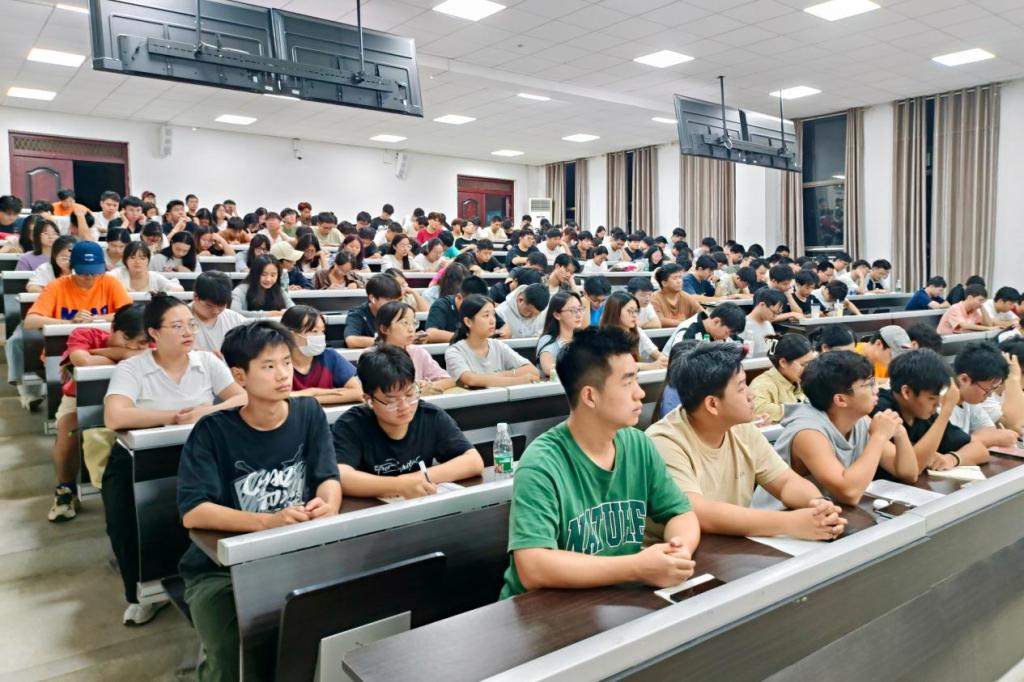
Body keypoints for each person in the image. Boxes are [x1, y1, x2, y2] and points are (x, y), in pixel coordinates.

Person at [178, 320, 341, 682]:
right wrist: (268, 522)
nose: (283, 374)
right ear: (240, 375)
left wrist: (328, 503)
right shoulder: (212, 432)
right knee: (231, 659)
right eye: (268, 366)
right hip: (221, 571)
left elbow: (328, 477)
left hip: (297, 553)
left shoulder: (308, 413)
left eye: (286, 362)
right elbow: (194, 511)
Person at [500, 326, 699, 598]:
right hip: (543, 610)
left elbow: (681, 513)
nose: (640, 393)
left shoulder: (638, 444)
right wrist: (636, 567)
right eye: (627, 383)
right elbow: (532, 567)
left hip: (610, 601)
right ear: (590, 396)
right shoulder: (541, 463)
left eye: (637, 379)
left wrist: (679, 550)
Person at [104, 294, 247, 625]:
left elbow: (241, 397)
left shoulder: (206, 362)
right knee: (129, 529)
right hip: (138, 460)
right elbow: (115, 416)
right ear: (154, 333)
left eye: (191, 325)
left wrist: (206, 411)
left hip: (198, 456)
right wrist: (172, 417)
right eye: (178, 326)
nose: (188, 332)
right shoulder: (133, 368)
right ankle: (141, 595)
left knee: (190, 527)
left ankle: (194, 585)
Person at [646, 343, 847, 541]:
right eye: (742, 388)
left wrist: (818, 505)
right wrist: (791, 523)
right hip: (673, 552)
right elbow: (699, 512)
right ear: (712, 404)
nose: (751, 395)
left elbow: (785, 481)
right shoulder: (664, 442)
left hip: (729, 544)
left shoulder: (740, 427)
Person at [752, 351, 919, 510]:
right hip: (779, 518)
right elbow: (849, 494)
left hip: (822, 513)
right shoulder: (808, 432)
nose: (876, 389)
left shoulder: (859, 420)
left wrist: (899, 433)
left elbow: (909, 474)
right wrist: (879, 437)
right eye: (868, 384)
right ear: (840, 399)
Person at [331, 345, 483, 499]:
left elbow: (473, 461)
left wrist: (414, 480)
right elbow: (341, 476)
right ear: (369, 400)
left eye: (410, 394)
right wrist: (398, 485)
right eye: (391, 400)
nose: (404, 406)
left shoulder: (430, 416)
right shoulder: (351, 425)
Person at [48, 303, 149, 522]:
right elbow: (83, 361)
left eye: (141, 342)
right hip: (78, 399)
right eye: (127, 339)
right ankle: (65, 489)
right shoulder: (85, 334)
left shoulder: (153, 341)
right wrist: (125, 355)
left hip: (130, 400)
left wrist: (108, 354)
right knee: (68, 430)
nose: (133, 346)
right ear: (113, 328)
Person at [873, 349, 989, 472]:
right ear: (906, 392)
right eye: (932, 398)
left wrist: (952, 458)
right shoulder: (880, 411)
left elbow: (980, 450)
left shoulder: (924, 414)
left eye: (939, 399)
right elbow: (912, 469)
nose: (937, 405)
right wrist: (946, 412)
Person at [445, 295, 540, 388]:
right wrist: (518, 380)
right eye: (486, 315)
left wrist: (498, 375)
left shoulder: (498, 345)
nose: (492, 321)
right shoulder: (455, 351)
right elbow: (471, 380)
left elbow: (532, 370)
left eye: (493, 315)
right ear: (468, 322)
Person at [279, 305, 362, 405]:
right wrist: (312, 392)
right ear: (291, 335)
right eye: (314, 331)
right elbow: (275, 397)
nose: (321, 336)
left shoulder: (329, 356)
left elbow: (357, 392)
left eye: (322, 331)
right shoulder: (277, 361)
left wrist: (311, 399)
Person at [374, 301, 454, 394]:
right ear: (384, 329)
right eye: (405, 323)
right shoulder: (372, 356)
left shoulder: (418, 352)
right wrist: (415, 389)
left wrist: (428, 386)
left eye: (414, 323)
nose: (411, 329)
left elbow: (449, 380)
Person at [949, 342, 1017, 447]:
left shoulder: (969, 401)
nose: (989, 396)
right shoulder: (939, 404)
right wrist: (989, 440)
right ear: (964, 379)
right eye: (987, 390)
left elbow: (989, 431)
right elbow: (948, 443)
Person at [750, 333, 814, 423]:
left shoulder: (799, 380)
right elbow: (757, 408)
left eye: (811, 363)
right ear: (783, 362)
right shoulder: (762, 384)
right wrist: (802, 410)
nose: (809, 369)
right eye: (803, 364)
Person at [426, 275, 507, 343]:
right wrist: (470, 338)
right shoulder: (441, 305)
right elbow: (431, 334)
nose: (476, 308)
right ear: (459, 297)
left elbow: (506, 330)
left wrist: (495, 338)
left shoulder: (483, 306)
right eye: (472, 304)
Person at [598, 291, 667, 370]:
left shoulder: (638, 331)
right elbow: (619, 365)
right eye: (630, 311)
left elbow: (655, 353)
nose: (635, 315)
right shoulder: (603, 337)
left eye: (636, 311)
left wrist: (663, 360)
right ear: (615, 312)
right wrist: (652, 366)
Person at [190, 271, 247, 352]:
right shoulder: (179, 319)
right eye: (209, 306)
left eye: (221, 306)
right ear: (195, 297)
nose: (216, 311)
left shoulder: (235, 320)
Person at [344, 273, 403, 348]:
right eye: (389, 300)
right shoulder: (357, 314)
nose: (394, 305)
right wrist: (387, 342)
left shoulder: (399, 310)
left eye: (397, 301)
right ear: (372, 298)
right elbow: (351, 341)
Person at [663, 302, 746, 355]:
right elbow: (681, 361)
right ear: (716, 321)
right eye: (727, 333)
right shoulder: (687, 330)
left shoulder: (725, 329)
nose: (727, 337)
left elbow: (743, 346)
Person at [536, 291, 585, 379]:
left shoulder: (582, 338)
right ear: (557, 315)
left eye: (580, 309)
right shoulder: (547, 339)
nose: (579, 315)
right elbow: (548, 369)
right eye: (573, 310)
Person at [111, 241, 185, 293]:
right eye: (132, 258)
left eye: (142, 258)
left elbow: (178, 289)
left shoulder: (154, 277)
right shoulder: (117, 274)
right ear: (125, 259)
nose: (137, 262)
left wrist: (162, 294)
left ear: (148, 260)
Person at [652, 263, 701, 329]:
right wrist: (685, 324)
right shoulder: (654, 299)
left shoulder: (686, 297)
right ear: (664, 283)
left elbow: (702, 314)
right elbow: (659, 321)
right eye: (675, 278)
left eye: (680, 277)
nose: (679, 281)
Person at [741, 288, 787, 357]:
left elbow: (772, 351)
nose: (775, 316)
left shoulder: (768, 324)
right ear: (762, 305)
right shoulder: (743, 325)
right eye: (774, 312)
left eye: (778, 313)